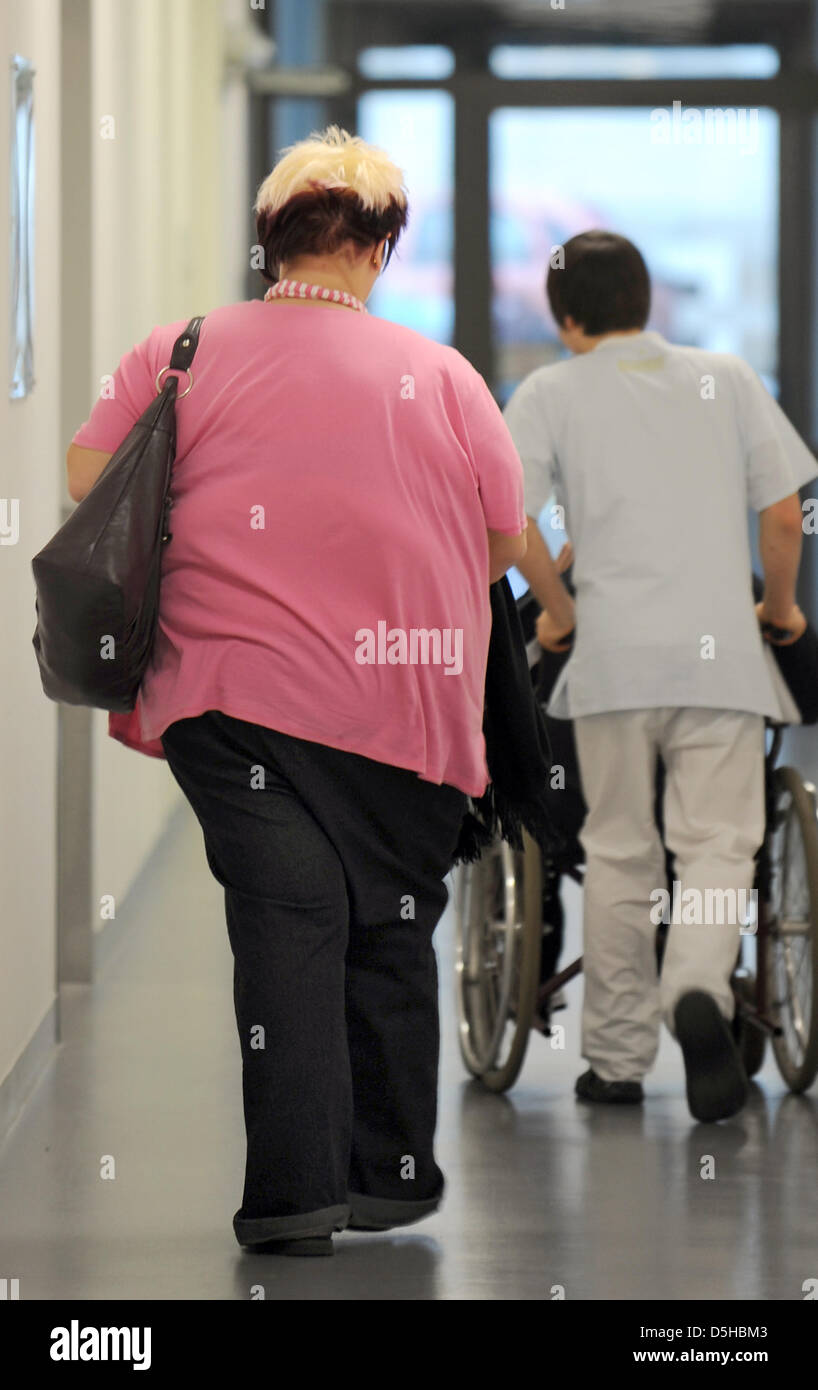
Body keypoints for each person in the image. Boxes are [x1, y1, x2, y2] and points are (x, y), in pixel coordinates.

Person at [66, 126, 528, 1252]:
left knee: (288, 920)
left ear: (269, 240)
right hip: (403, 705)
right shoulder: (443, 376)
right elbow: (501, 539)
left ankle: (292, 1199)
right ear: (377, 247)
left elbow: (90, 481)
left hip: (225, 697)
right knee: (387, 922)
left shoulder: (180, 348)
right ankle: (386, 1176)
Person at [504, 229, 817, 1123]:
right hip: (719, 658)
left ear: (566, 316)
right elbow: (786, 517)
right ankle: (696, 991)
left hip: (609, 660)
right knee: (718, 844)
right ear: (646, 303)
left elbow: (511, 522)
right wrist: (782, 610)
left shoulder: (551, 392)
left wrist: (559, 610)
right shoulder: (726, 378)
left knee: (617, 850)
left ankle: (615, 1061)